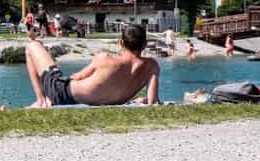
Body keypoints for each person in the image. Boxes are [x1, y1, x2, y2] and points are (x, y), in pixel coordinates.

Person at [24, 23, 160, 108]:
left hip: (62, 93)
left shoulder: (105, 59)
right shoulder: (151, 67)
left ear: (121, 43)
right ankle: (43, 99)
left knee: (33, 46)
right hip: (97, 101)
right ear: (144, 44)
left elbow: (78, 77)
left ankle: (41, 99)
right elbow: (152, 101)